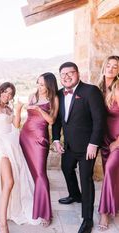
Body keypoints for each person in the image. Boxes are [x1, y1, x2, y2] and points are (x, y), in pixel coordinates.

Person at [52, 62, 105, 233]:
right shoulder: (59, 94)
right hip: (68, 145)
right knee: (66, 168)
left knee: (86, 180)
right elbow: (58, 120)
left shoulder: (91, 91)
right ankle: (75, 195)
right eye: (63, 74)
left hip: (87, 146)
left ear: (78, 73)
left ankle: (87, 220)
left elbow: (99, 120)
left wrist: (93, 144)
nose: (66, 77)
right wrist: (56, 140)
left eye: (70, 73)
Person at [0, 82, 40, 233]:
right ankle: (2, 223)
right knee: (9, 181)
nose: (7, 96)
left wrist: (18, 110)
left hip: (12, 146)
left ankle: (7, 213)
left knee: (10, 181)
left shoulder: (8, 108)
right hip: (0, 146)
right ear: (0, 91)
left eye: (10, 94)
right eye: (5, 92)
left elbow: (15, 126)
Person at [20, 72, 59, 227]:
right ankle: (33, 204)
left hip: (40, 138)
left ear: (49, 85)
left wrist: (39, 109)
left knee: (41, 174)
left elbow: (51, 120)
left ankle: (46, 212)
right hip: (25, 136)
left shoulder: (53, 99)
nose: (39, 87)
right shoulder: (32, 95)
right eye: (38, 83)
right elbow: (28, 115)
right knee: (31, 173)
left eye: (42, 84)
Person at [97, 55, 119, 231]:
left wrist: (117, 141)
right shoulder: (99, 88)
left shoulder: (118, 88)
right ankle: (114, 206)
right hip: (104, 139)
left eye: (115, 67)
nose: (110, 69)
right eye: (108, 65)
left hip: (117, 139)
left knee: (111, 170)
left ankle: (104, 212)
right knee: (109, 175)